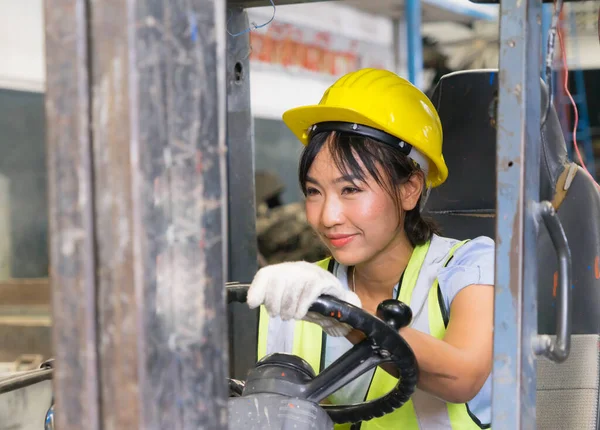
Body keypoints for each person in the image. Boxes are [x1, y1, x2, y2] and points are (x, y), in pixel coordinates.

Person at [246, 68, 494, 429]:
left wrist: (345, 316)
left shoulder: (470, 265)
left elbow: (463, 376)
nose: (327, 216)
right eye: (314, 192)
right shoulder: (296, 292)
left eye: (351, 190)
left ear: (410, 188)